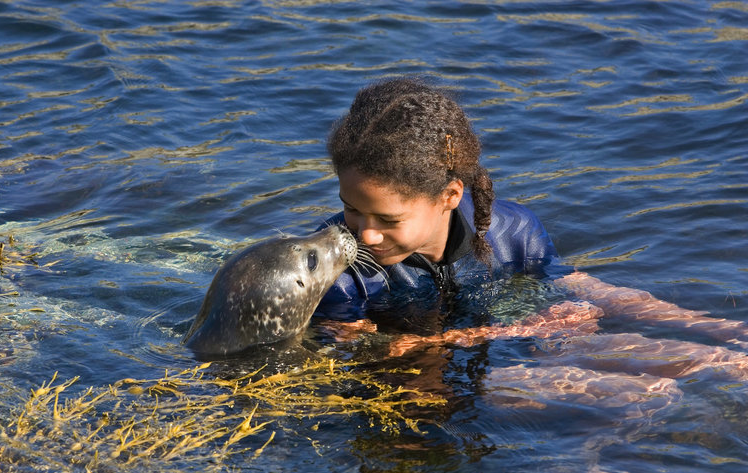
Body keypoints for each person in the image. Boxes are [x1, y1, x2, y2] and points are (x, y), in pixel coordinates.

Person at [315, 77, 748, 352]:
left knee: (702, 364)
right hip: (420, 377)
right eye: (352, 209)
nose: (365, 235)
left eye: (388, 220)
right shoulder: (337, 266)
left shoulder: (512, 230)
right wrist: (511, 333)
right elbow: (374, 348)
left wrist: (709, 327)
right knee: (622, 397)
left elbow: (575, 283)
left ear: (449, 195)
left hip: (492, 344)